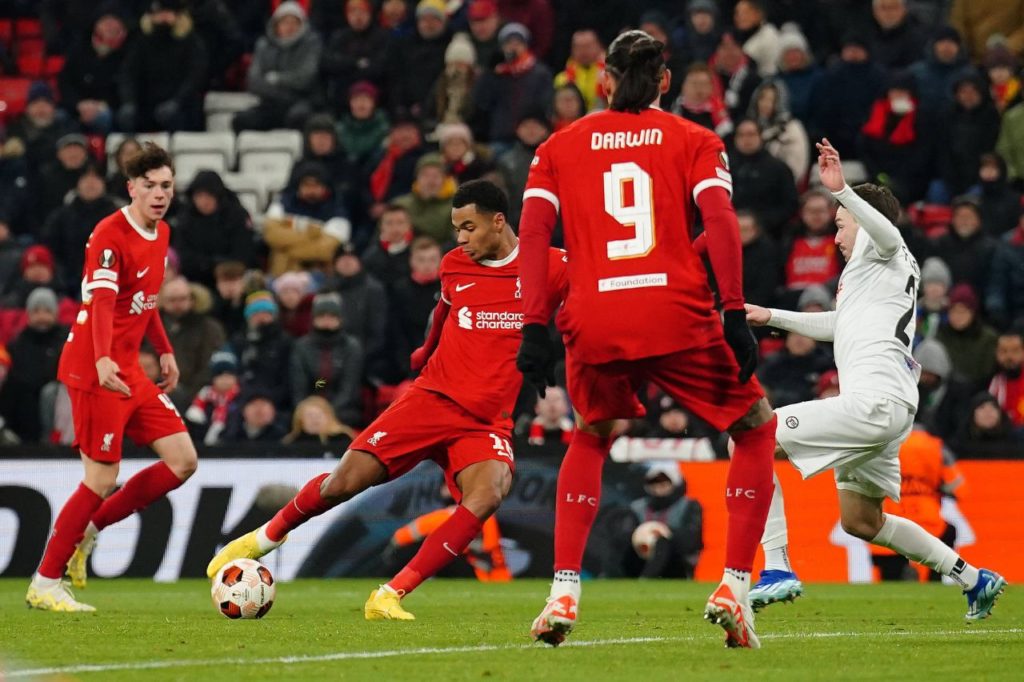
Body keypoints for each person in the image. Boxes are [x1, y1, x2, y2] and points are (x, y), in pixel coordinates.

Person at [516, 31, 776, 649]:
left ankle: (563, 591)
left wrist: (533, 324)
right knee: (756, 427)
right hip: (674, 311)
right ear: (665, 82)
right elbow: (720, 222)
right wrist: (734, 310)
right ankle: (734, 586)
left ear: (602, 81)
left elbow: (531, 237)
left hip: (594, 316)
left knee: (592, 435)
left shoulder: (557, 147)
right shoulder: (696, 140)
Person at [206, 179, 567, 620]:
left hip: (486, 419)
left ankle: (390, 594)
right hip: (431, 399)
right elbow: (443, 313)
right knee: (343, 483)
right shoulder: (455, 265)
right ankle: (263, 537)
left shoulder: (550, 266)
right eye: (456, 228)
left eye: (469, 227)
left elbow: (586, 311)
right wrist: (423, 351)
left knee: (488, 494)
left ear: (498, 221)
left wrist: (561, 348)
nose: (461, 239)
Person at [743, 139, 1005, 622]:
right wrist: (771, 316)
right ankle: (974, 578)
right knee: (862, 520)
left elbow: (884, 233)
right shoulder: (870, 274)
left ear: (861, 218)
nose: (835, 236)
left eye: (841, 225)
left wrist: (842, 191)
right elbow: (839, 323)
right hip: (890, 409)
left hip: (874, 402)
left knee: (755, 439)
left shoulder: (888, 250)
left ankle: (776, 566)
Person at [26, 143, 198, 612]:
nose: (159, 194)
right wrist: (104, 359)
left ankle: (91, 530)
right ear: (132, 188)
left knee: (183, 461)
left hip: (127, 368)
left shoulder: (161, 233)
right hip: (94, 368)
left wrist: (163, 349)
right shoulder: (109, 234)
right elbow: (101, 302)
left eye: (166, 185)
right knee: (101, 475)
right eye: (150, 186)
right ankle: (44, 583)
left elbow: (145, 299)